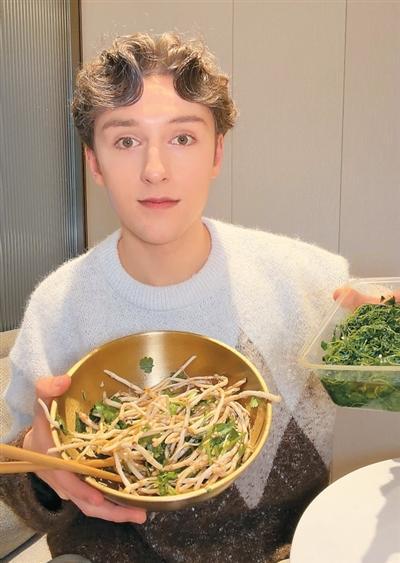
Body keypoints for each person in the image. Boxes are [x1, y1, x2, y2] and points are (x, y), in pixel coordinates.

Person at [0, 32, 350, 562]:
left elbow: (377, 385)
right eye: (126, 141)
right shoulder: (58, 309)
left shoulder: (311, 282)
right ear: (95, 163)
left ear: (216, 152)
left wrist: (384, 349)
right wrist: (36, 461)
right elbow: (18, 482)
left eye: (182, 138)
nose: (155, 169)